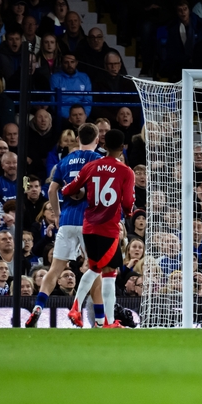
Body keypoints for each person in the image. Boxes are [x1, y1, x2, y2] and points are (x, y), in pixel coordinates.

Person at [26, 124, 102, 327]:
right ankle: (99, 320)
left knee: (54, 269)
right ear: (97, 140)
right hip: (90, 222)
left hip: (67, 220)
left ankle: (38, 307)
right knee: (95, 269)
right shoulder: (99, 161)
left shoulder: (65, 161)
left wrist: (57, 214)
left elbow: (51, 190)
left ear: (78, 139)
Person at [62, 129, 135, 328]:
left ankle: (96, 317)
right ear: (122, 148)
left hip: (89, 227)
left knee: (99, 270)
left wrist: (68, 190)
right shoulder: (125, 171)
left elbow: (68, 189)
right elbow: (128, 202)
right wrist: (128, 212)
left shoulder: (91, 166)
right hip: (108, 229)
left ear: (104, 145)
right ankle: (102, 319)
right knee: (105, 273)